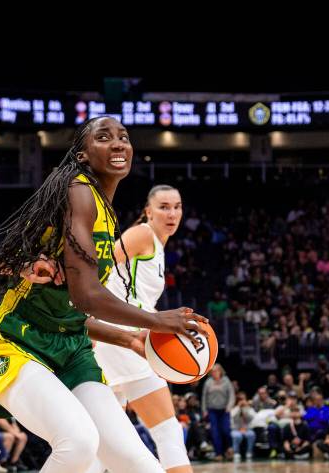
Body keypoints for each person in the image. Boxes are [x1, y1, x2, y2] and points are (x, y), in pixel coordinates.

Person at [0, 116, 206, 473]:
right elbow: (85, 294)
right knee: (79, 443)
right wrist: (159, 320)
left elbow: (73, 308)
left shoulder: (104, 209)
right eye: (104, 137)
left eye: (124, 137)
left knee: (141, 465)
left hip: (72, 348)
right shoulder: (78, 190)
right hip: (18, 342)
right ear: (83, 155)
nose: (118, 144)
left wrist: (129, 339)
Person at [87, 184, 191, 473]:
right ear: (148, 211)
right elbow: (97, 269)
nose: (172, 213)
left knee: (105, 442)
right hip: (124, 337)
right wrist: (87, 317)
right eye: (164, 207)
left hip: (117, 337)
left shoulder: (159, 245)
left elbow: (136, 296)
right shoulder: (143, 234)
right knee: (168, 430)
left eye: (177, 206)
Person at [201, 364, 235, 460]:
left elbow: (231, 395)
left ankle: (229, 448)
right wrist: (204, 410)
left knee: (226, 430)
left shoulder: (226, 381)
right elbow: (204, 397)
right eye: (213, 371)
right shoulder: (208, 383)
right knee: (215, 432)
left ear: (220, 371)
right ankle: (218, 453)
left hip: (224, 410)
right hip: (212, 410)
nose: (215, 373)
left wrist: (229, 406)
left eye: (217, 371)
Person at [229, 391, 256, 462]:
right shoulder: (234, 408)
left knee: (251, 434)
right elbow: (232, 416)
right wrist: (238, 407)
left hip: (247, 429)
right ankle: (236, 452)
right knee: (237, 436)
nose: (242, 401)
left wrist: (246, 408)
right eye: (240, 399)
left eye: (243, 399)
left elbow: (253, 417)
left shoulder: (248, 407)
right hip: (236, 429)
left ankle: (249, 452)